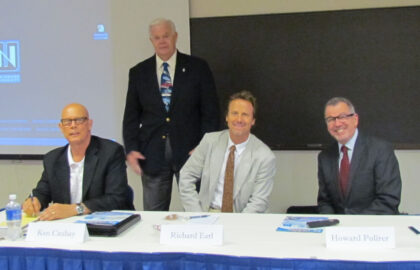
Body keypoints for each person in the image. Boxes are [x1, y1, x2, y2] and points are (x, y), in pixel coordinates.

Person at [123, 18, 220, 211]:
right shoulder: (138, 73)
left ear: (175, 37)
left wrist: (204, 147)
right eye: (157, 37)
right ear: (151, 41)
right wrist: (131, 149)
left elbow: (211, 113)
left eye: (166, 36)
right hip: (152, 155)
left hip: (191, 154)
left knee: (197, 214)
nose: (162, 41)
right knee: (153, 217)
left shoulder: (198, 68)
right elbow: (131, 117)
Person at [22, 103, 133, 221]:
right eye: (67, 122)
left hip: (105, 224)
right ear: (61, 127)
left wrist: (76, 209)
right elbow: (42, 192)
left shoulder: (111, 152)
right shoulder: (52, 158)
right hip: (66, 229)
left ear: (89, 124)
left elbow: (116, 199)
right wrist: (34, 201)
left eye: (79, 120)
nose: (73, 126)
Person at [179, 91, 276, 213]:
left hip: (243, 218)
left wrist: (236, 226)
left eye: (245, 114)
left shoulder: (265, 157)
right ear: (227, 117)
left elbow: (259, 201)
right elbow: (186, 176)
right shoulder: (209, 141)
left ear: (253, 121)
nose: (239, 119)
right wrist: (196, 214)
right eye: (234, 113)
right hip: (206, 214)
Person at [317, 97, 402, 214]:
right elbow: (324, 202)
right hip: (338, 229)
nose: (337, 123)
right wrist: (332, 224)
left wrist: (352, 224)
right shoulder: (324, 157)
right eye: (331, 119)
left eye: (342, 117)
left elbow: (388, 200)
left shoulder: (381, 150)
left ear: (355, 119)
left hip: (374, 227)